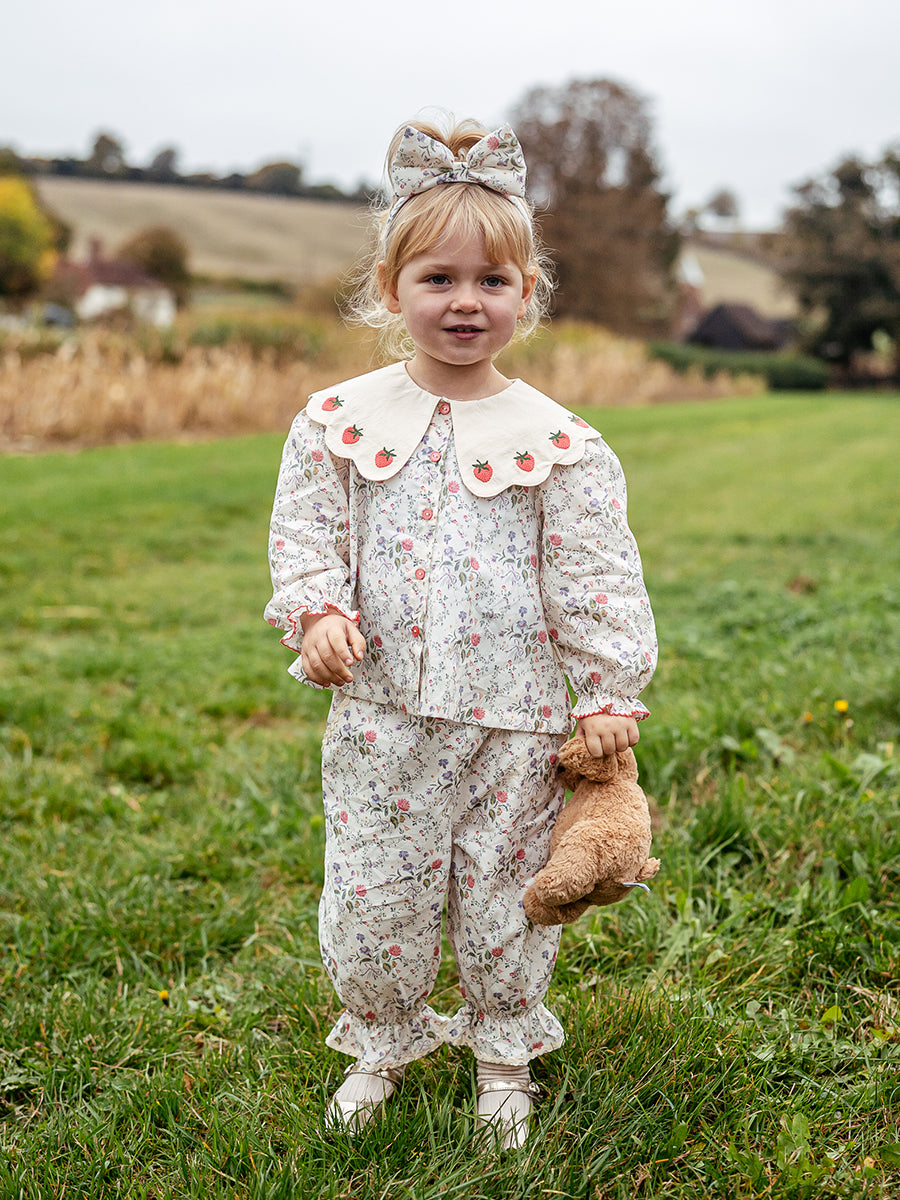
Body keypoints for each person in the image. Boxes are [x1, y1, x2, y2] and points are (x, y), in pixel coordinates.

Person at [264, 116, 657, 1149]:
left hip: (515, 723)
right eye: (437, 278)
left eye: (492, 281)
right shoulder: (336, 424)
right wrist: (318, 612)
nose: (465, 301)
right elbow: (305, 533)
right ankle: (380, 1042)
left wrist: (606, 690)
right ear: (390, 288)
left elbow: (595, 572)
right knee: (374, 893)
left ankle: (502, 1054)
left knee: (504, 895)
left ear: (528, 292)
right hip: (382, 716)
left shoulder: (559, 444)